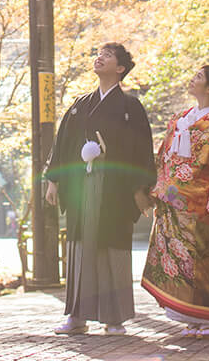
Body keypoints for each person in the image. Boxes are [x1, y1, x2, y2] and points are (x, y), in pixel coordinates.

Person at [44, 43, 155, 336]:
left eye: (108, 55)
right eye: (99, 53)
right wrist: (54, 180)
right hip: (82, 184)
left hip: (115, 188)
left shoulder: (130, 107)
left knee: (112, 249)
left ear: (120, 69)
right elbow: (63, 142)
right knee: (79, 249)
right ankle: (77, 316)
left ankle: (114, 318)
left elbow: (142, 148)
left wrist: (140, 189)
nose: (100, 57)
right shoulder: (81, 102)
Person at [141, 65, 209, 340]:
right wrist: (156, 187)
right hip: (174, 201)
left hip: (203, 203)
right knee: (179, 259)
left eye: (198, 77)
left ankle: (206, 318)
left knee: (203, 261)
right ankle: (190, 317)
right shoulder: (181, 118)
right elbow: (164, 156)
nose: (191, 79)